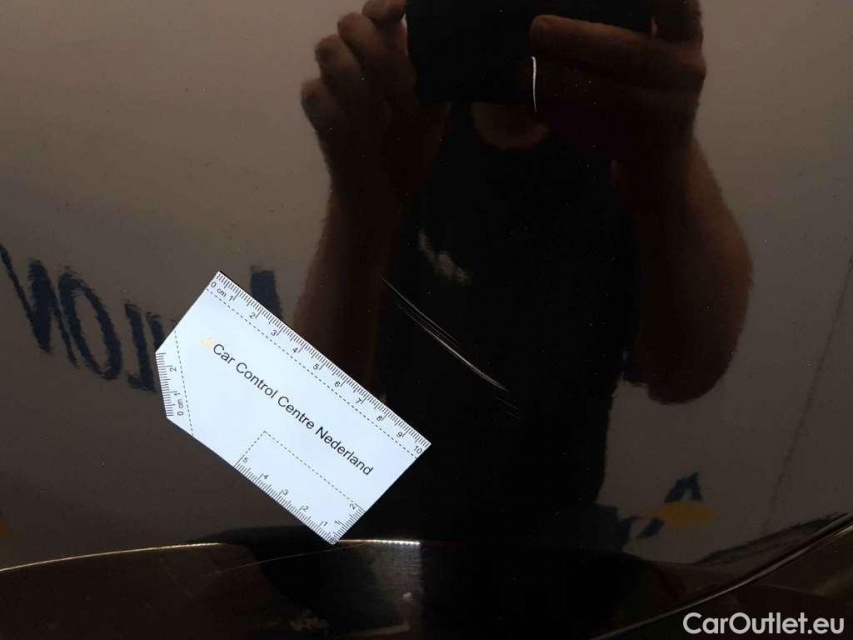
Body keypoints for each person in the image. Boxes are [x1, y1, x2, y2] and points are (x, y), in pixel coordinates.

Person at [295, 0, 751, 546]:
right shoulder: (412, 122)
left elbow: (683, 374)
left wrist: (669, 158)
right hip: (401, 522)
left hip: (545, 543)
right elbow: (308, 438)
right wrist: (360, 202)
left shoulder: (633, 144)